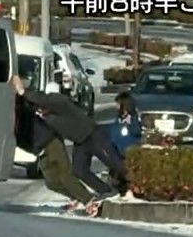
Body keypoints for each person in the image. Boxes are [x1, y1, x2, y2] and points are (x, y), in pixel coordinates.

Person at [11, 75, 128, 208]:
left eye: (41, 106)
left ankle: (133, 187)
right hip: (80, 141)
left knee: (114, 162)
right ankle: (106, 191)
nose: (41, 109)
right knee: (79, 171)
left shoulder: (59, 102)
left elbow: (43, 99)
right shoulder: (46, 114)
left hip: (92, 134)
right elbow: (30, 108)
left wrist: (23, 91)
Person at [15, 94, 95, 211]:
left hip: (50, 141)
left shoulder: (23, 111)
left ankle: (89, 200)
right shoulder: (12, 122)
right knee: (51, 182)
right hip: (39, 150)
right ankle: (76, 197)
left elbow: (30, 102)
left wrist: (22, 94)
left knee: (65, 176)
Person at [108, 91, 142, 157]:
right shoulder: (119, 118)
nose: (116, 106)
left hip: (128, 152)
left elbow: (136, 133)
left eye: (118, 104)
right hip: (117, 152)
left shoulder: (133, 119)